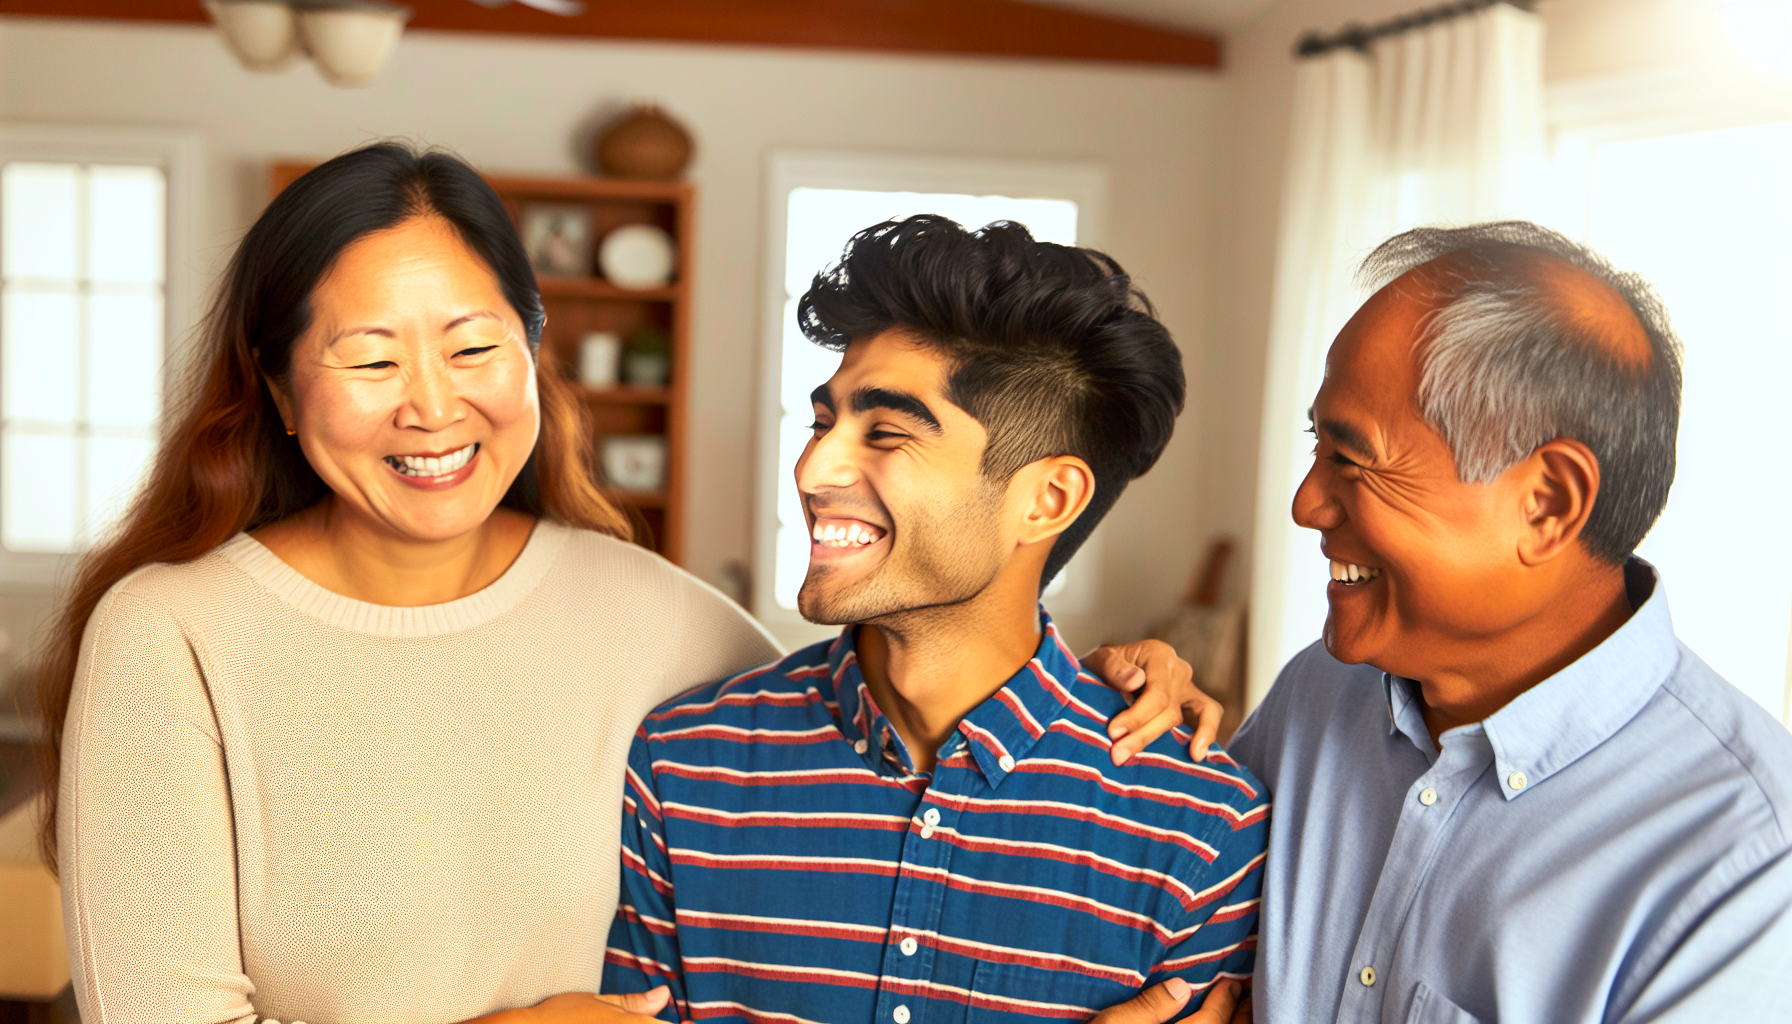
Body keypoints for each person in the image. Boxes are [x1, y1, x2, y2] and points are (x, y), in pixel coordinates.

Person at [36, 145, 1220, 1024]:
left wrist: (1108, 673)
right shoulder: (175, 636)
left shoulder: (665, 626)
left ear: (534, 353)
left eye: (472, 345)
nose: (432, 404)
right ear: (284, 391)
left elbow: (914, 681)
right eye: (368, 355)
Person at [601, 217, 1268, 1024]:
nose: (813, 467)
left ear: (1046, 501)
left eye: (885, 432)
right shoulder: (683, 770)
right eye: (822, 423)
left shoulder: (1201, 826)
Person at [1228, 222, 1792, 1023]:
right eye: (1316, 446)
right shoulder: (1318, 697)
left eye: (1352, 460)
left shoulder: (1746, 870)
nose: (1305, 504)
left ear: (1548, 503)